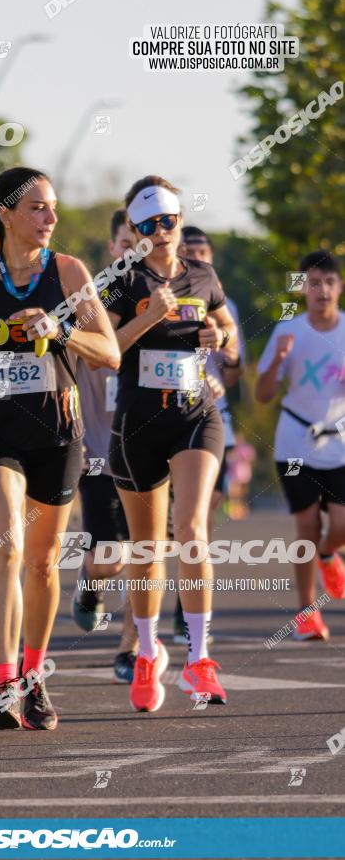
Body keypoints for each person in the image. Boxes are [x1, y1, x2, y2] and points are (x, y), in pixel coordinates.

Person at [0, 167, 120, 730]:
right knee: (7, 545)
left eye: (53, 207)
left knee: (40, 563)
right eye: (37, 208)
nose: (50, 218)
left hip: (56, 432)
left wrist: (59, 329)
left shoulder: (69, 272)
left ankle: (35, 680)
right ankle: (4, 683)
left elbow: (108, 351)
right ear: (5, 213)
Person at [106, 175, 238, 711]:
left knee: (191, 528)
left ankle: (200, 658)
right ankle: (145, 650)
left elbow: (226, 329)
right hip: (137, 422)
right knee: (146, 549)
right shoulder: (120, 281)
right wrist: (147, 317)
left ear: (180, 222)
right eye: (148, 224)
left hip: (194, 416)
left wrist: (219, 337)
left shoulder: (203, 274)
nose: (161, 232)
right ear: (134, 229)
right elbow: (105, 352)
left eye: (169, 221)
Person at [255, 251, 345, 641]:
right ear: (303, 288)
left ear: (339, 287)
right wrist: (277, 360)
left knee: (341, 525)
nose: (321, 290)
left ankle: (328, 554)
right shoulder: (287, 330)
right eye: (313, 283)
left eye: (328, 281)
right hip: (295, 439)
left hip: (339, 440)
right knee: (306, 523)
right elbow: (262, 394)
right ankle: (307, 611)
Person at [71, 209, 138, 684]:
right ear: (113, 247)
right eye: (126, 241)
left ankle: (133, 647)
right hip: (98, 446)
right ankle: (90, 584)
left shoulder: (170, 296)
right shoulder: (92, 300)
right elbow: (94, 357)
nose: (136, 248)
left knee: (147, 550)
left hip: (151, 446)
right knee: (108, 559)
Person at [170, 225, 245, 641]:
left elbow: (234, 369)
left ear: (211, 258)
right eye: (189, 249)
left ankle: (186, 614)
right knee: (163, 530)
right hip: (161, 421)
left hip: (214, 423)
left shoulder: (224, 304)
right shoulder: (160, 293)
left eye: (203, 250)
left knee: (198, 521)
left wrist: (223, 348)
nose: (196, 255)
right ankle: (142, 624)